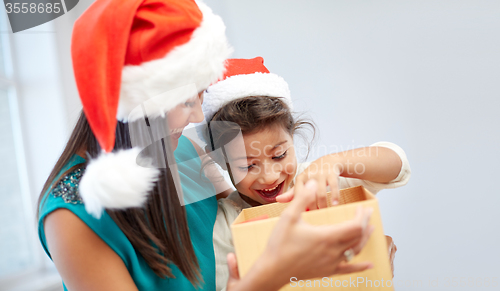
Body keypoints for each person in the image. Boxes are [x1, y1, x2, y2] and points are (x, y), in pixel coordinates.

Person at [37, 1, 375, 290]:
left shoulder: (184, 153)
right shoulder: (72, 219)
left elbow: (249, 229)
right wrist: (268, 280)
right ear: (134, 100)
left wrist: (350, 269)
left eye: (201, 95)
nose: (198, 115)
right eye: (186, 101)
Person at [199, 57, 411, 290]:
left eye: (279, 155)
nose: (269, 177)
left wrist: (335, 161)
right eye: (248, 166)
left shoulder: (318, 180)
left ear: (292, 137)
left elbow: (396, 163)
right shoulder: (223, 225)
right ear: (220, 158)